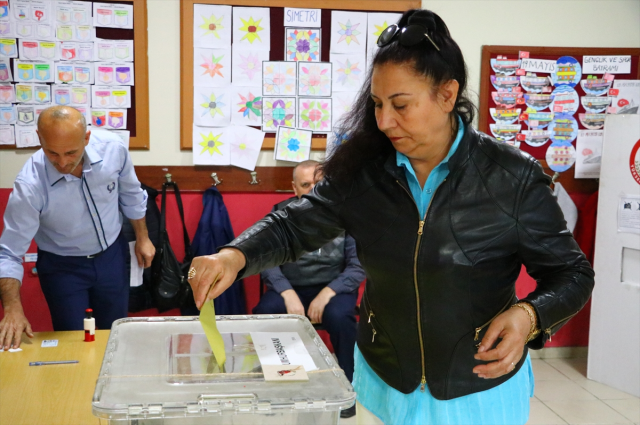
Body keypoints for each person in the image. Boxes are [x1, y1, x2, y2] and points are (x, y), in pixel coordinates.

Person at [186, 9, 595, 425]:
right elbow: (294, 224)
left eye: (400, 105)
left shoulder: (512, 177)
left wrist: (530, 316)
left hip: (476, 388)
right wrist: (233, 257)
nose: (383, 122)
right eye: (378, 104)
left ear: (448, 95)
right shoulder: (364, 172)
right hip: (384, 379)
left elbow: (573, 274)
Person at [0, 106, 155, 350]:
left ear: (86, 138)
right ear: (39, 138)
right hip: (62, 267)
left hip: (111, 257)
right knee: (73, 340)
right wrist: (12, 309)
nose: (62, 163)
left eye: (71, 153)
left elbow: (131, 194)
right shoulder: (29, 185)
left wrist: (143, 237)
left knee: (113, 334)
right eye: (52, 153)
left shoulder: (113, 149)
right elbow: (8, 253)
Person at [254, 160, 365, 394]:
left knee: (340, 316)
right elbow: (266, 262)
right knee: (266, 312)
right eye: (306, 184)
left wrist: (327, 293)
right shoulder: (279, 217)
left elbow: (358, 266)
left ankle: (349, 385)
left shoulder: (349, 217)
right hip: (291, 289)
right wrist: (287, 292)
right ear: (295, 189)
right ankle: (283, 383)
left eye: (319, 183)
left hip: (333, 290)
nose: (313, 189)